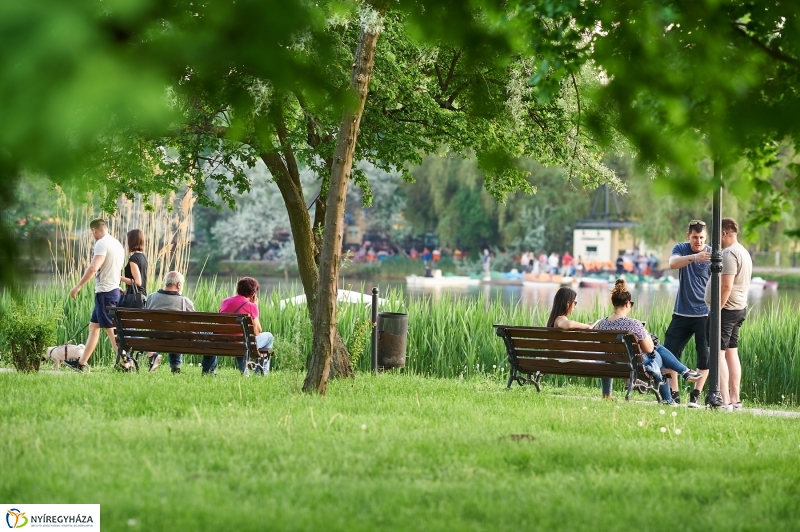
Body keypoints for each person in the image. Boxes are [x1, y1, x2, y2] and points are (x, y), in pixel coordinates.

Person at [595, 279, 702, 404]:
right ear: (627, 304)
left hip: (611, 364)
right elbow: (649, 349)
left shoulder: (602, 324)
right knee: (658, 353)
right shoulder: (633, 324)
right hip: (634, 365)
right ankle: (673, 392)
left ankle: (684, 373)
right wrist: (646, 334)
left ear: (614, 304)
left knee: (657, 351)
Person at [704, 217, 752, 411]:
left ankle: (724, 401)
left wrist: (716, 311)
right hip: (738, 309)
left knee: (718, 354)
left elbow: (726, 286)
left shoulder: (729, 253)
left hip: (726, 311)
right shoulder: (743, 251)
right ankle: (735, 399)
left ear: (723, 233)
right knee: (732, 353)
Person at [663, 220, 711, 407]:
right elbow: (672, 263)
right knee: (668, 354)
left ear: (705, 237)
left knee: (704, 359)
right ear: (688, 236)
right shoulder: (681, 249)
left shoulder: (712, 252)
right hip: (681, 312)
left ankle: (695, 395)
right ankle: (674, 394)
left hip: (704, 314)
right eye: (694, 237)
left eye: (701, 238)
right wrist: (694, 257)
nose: (698, 241)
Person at [66, 219, 125, 371]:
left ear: (94, 230)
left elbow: (93, 268)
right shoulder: (117, 244)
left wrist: (77, 286)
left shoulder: (102, 243)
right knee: (94, 327)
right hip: (112, 291)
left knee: (111, 330)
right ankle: (81, 363)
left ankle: (126, 364)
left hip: (105, 293)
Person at [546, 287, 614, 398]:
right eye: (575, 302)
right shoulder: (560, 319)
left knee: (604, 358)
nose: (575, 306)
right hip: (568, 360)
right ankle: (607, 395)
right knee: (607, 361)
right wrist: (587, 326)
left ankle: (607, 395)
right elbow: (568, 325)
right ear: (568, 304)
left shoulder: (552, 320)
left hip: (563, 359)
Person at [201, 277, 274, 376]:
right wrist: (255, 306)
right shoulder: (252, 306)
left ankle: (208, 371)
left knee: (242, 338)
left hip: (221, 340)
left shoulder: (225, 302)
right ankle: (261, 372)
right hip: (242, 344)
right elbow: (257, 332)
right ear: (253, 294)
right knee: (269, 337)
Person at [144, 271, 195, 374]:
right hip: (178, 339)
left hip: (155, 336)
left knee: (174, 332)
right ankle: (176, 367)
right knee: (177, 333)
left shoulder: (151, 297)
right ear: (179, 285)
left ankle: (171, 366)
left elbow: (146, 320)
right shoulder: (185, 302)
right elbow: (194, 323)